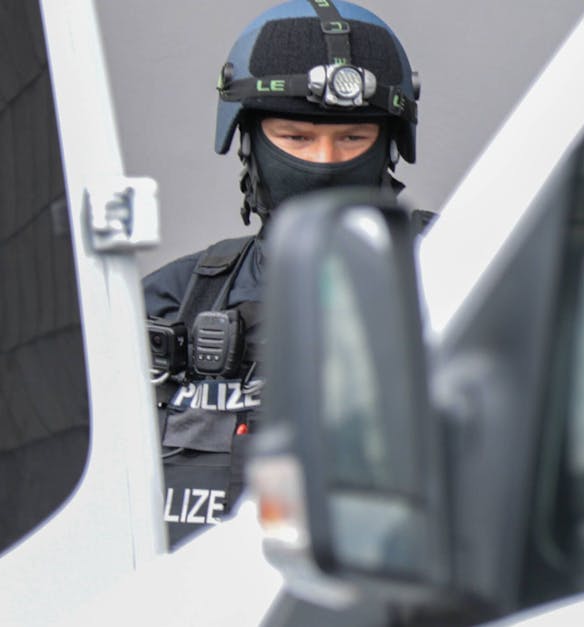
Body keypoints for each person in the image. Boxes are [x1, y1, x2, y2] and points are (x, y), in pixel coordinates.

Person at [141, 0, 423, 548]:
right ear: (247, 140)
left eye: (352, 139)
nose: (324, 162)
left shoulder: (454, 272)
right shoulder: (176, 302)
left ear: (390, 144)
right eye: (296, 138)